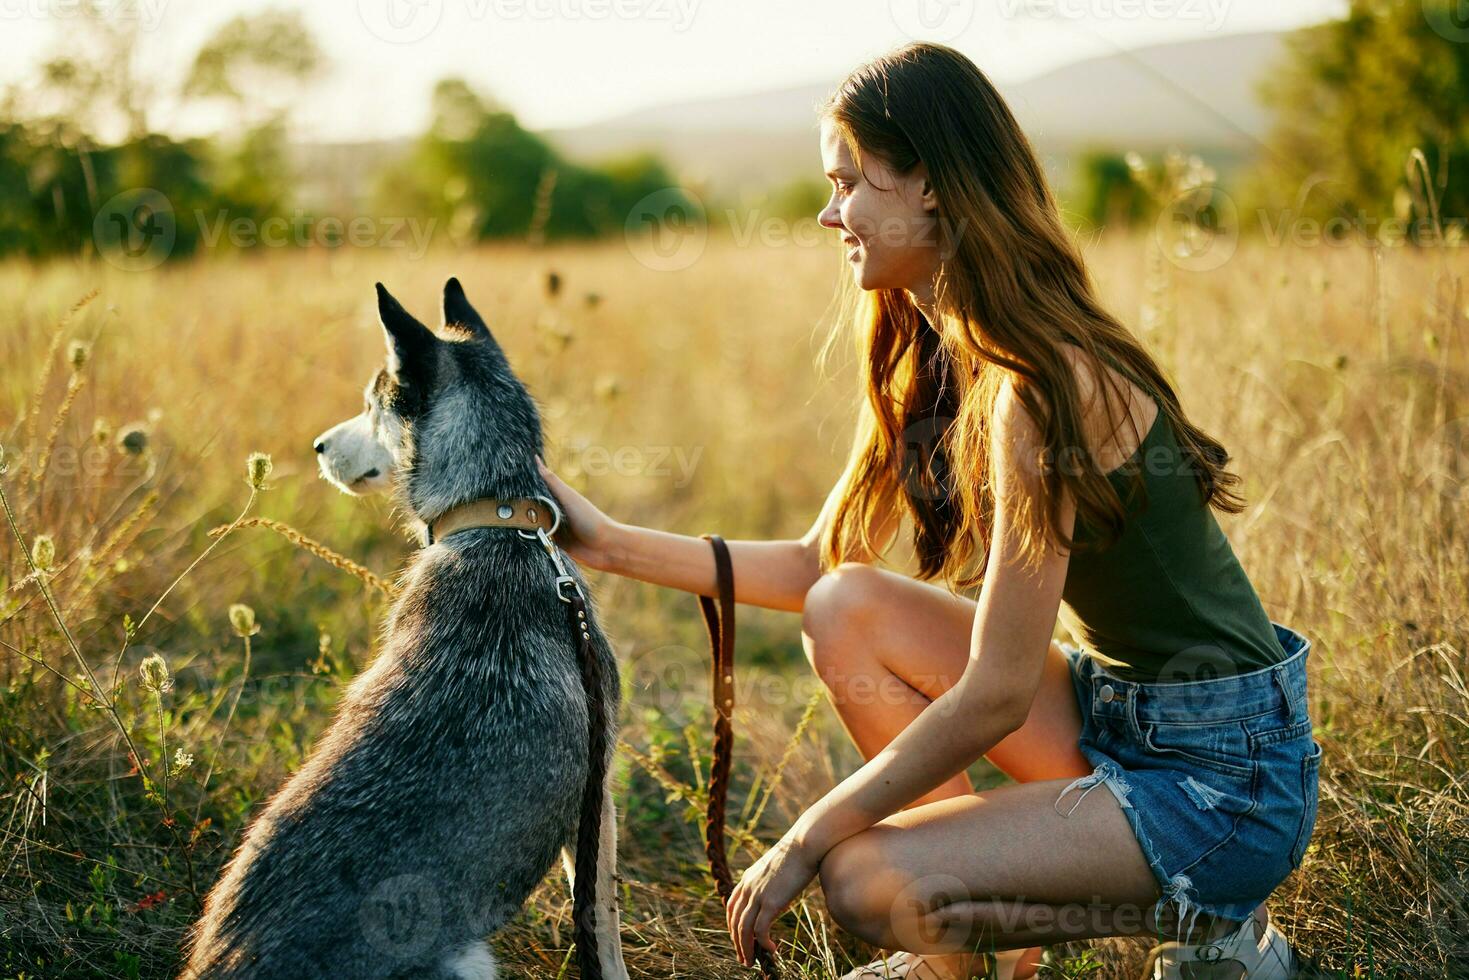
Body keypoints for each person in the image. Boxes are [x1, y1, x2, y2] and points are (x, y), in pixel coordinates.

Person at [536, 41, 1318, 980]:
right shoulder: (939, 349)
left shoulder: (1040, 384)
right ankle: (969, 967)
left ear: (931, 187)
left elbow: (994, 691)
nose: (829, 215)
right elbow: (816, 567)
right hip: (1118, 716)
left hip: (1224, 779)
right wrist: (603, 541)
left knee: (864, 881)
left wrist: (808, 837)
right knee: (846, 606)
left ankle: (1216, 924)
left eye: (847, 183)